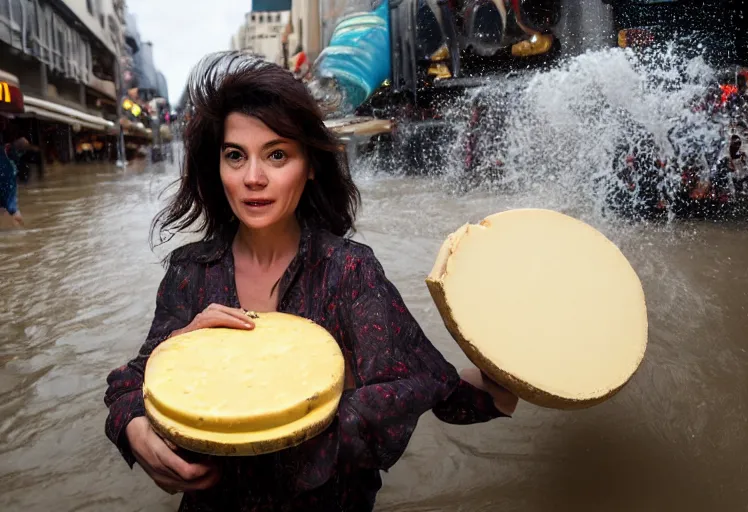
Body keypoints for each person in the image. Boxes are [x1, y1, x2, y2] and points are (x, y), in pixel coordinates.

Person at [103, 51, 518, 512]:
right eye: (235, 156)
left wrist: (512, 372)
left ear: (311, 164)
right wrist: (140, 426)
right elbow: (131, 386)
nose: (253, 178)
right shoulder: (191, 270)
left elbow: (413, 388)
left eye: (277, 155)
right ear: (217, 167)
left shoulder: (348, 272)